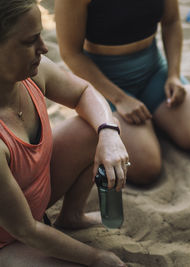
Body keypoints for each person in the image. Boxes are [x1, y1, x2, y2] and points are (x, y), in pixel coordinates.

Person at [0, 0, 129, 266]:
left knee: (93, 126)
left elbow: (84, 92)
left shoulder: (31, 74)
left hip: (34, 201)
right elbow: (25, 230)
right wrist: (98, 258)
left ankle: (71, 216)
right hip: (10, 237)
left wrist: (108, 133)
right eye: (30, 41)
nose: (44, 48)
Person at [54, 0, 190, 185]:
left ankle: (152, 121)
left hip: (153, 69)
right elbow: (71, 54)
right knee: (147, 169)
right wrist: (120, 98)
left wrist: (173, 75)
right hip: (104, 81)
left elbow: (171, 22)